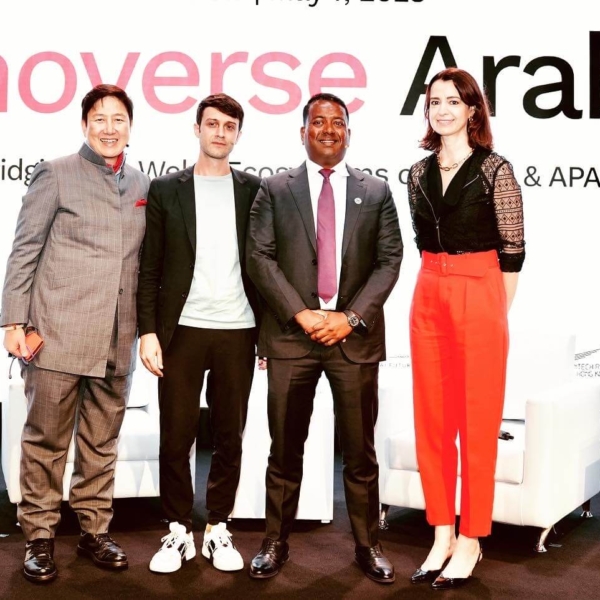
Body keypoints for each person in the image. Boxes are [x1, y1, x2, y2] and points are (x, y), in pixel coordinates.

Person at [246, 92, 403, 584]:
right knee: (284, 448)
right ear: (303, 132)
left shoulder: (376, 191)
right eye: (319, 121)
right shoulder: (274, 189)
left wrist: (349, 318)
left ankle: (367, 544)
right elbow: (259, 257)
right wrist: (301, 314)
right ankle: (275, 541)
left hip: (353, 341)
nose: (328, 130)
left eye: (338, 122)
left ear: (349, 134)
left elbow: (390, 261)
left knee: (359, 452)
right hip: (292, 339)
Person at [1, 84, 150, 583]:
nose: (109, 128)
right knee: (45, 442)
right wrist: (13, 322)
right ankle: (39, 537)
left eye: (118, 119)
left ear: (130, 126)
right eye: (99, 119)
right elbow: (24, 251)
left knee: (101, 444)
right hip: (58, 334)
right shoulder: (56, 173)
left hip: (117, 337)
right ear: (84, 125)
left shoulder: (140, 183)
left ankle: (94, 531)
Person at [406, 67, 525, 590]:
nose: (443, 109)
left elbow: (513, 251)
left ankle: (472, 538)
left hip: (481, 291)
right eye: (435, 101)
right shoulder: (416, 173)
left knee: (477, 424)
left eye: (454, 101)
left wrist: (495, 311)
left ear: (473, 109)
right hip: (428, 290)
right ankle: (442, 533)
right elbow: (422, 242)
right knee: (432, 422)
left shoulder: (496, 169)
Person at [136, 93, 262, 574]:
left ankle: (217, 527)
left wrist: (269, 337)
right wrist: (148, 332)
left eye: (229, 127)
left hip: (239, 329)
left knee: (230, 436)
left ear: (238, 135)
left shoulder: (254, 190)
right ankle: (177, 530)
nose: (220, 133)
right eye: (212, 124)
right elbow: (150, 268)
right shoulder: (167, 189)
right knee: (176, 436)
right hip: (181, 331)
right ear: (197, 129)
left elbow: (265, 264)